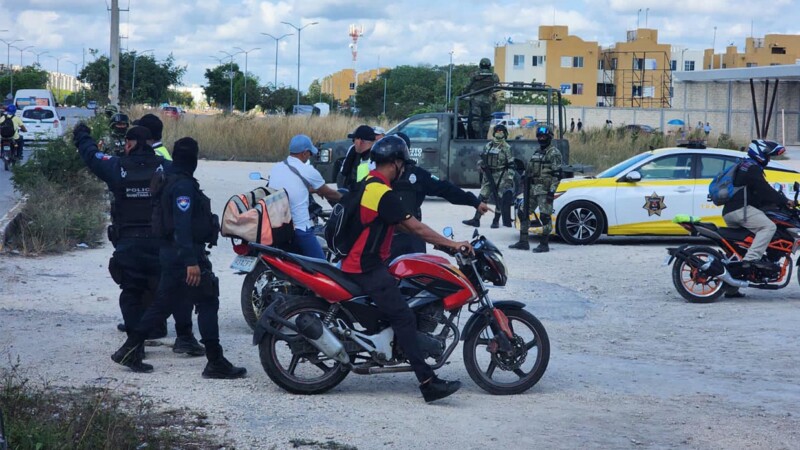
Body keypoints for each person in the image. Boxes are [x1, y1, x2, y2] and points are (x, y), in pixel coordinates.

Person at [342, 135, 471, 402]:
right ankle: (427, 382)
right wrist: (454, 243)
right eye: (402, 164)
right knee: (404, 317)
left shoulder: (370, 184)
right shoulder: (383, 192)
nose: (403, 169)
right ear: (395, 163)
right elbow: (416, 227)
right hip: (366, 266)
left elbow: (402, 225)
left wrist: (443, 245)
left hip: (363, 262)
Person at [112, 137, 247, 378]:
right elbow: (182, 226)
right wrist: (191, 262)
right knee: (207, 301)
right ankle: (215, 361)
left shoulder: (170, 178)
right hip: (184, 256)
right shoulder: (183, 186)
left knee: (162, 304)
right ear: (193, 159)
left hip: (171, 254)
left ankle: (129, 349)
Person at [73, 124, 204, 358]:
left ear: (130, 144)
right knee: (176, 289)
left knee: (131, 292)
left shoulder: (116, 166)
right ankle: (184, 338)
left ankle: (136, 346)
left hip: (129, 243)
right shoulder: (166, 167)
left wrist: (82, 135)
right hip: (161, 243)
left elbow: (91, 156)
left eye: (126, 143)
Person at [390, 132, 489, 259]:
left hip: (411, 238)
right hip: (386, 238)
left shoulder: (418, 175)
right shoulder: (379, 177)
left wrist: (474, 201)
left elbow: (445, 189)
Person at [267, 134, 342, 259]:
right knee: (321, 265)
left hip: (279, 228)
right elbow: (329, 193)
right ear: (305, 153)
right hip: (300, 229)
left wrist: (313, 190)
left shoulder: (277, 168)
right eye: (310, 153)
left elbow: (292, 187)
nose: (310, 156)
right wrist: (346, 198)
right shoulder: (308, 170)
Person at [722, 140, 792, 271]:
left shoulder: (745, 165)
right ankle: (751, 260)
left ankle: (736, 277)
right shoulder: (752, 168)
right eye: (768, 155)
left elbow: (757, 193)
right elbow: (764, 190)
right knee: (769, 227)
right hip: (740, 210)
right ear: (760, 153)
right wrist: (785, 201)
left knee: (743, 247)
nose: (769, 159)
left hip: (731, 211)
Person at [510, 123, 562, 253]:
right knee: (523, 212)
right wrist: (524, 176)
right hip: (532, 189)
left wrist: (552, 191)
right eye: (539, 136)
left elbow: (557, 175)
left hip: (545, 190)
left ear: (550, 137)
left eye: (544, 136)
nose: (541, 138)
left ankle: (544, 244)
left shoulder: (554, 153)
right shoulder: (537, 152)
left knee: (545, 216)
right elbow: (529, 168)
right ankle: (523, 241)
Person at [462, 124, 514, 228]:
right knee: (482, 197)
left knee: (499, 199)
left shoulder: (507, 148)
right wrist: (480, 165)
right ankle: (476, 219)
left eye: (501, 131)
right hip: (488, 175)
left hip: (501, 176)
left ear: (505, 133)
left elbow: (511, 165)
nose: (499, 133)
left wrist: (509, 179)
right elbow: (483, 158)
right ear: (494, 133)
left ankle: (496, 221)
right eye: (497, 131)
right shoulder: (489, 145)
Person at [465, 58, 500, 139]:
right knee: (487, 119)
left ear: (480, 65)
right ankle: (484, 137)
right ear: (489, 65)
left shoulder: (475, 75)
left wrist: (464, 93)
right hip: (487, 100)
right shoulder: (494, 76)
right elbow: (497, 84)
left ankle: (476, 137)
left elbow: (467, 86)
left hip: (476, 100)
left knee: (475, 118)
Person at [339, 125, 376, 190]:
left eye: (354, 140)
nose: (353, 143)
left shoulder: (375, 158)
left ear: (360, 141)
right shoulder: (354, 153)